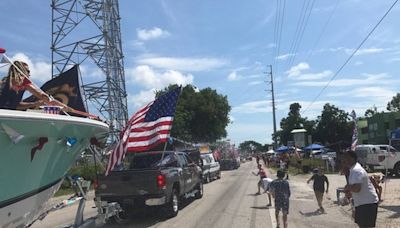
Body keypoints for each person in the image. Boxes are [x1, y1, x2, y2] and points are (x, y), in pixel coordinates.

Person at [342, 150, 379, 228]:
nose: (346, 160)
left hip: (368, 203)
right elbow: (354, 188)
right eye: (345, 158)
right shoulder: (353, 170)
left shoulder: (357, 170)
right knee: (362, 225)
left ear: (354, 159)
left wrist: (348, 187)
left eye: (348, 158)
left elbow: (357, 188)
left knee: (365, 226)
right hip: (362, 203)